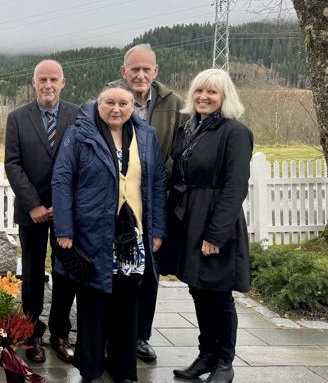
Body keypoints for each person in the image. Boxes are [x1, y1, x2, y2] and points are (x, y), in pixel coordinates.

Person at [52, 82, 167, 383]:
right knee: (93, 300)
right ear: (98, 104)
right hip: (93, 231)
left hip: (135, 233)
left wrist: (157, 231)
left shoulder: (146, 136)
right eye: (110, 103)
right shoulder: (79, 134)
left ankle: (123, 368)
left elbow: (156, 184)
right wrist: (64, 229)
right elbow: (62, 181)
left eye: (123, 104)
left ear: (132, 107)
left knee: (128, 301)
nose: (116, 109)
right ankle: (90, 367)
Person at [168, 69, 252, 383]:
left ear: (224, 97)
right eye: (200, 91)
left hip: (217, 222)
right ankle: (206, 356)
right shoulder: (188, 129)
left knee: (218, 294)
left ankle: (225, 362)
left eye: (212, 93)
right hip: (190, 219)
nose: (204, 97)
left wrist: (216, 233)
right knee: (198, 290)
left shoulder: (235, 132)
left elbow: (235, 186)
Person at [110, 43, 185, 362]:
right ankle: (114, 335)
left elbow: (182, 151)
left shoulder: (175, 104)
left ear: (156, 72)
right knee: (115, 269)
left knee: (148, 273)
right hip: (116, 203)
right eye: (134, 69)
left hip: (155, 199)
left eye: (146, 69)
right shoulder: (111, 102)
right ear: (123, 72)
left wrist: (157, 171)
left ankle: (141, 336)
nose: (140, 75)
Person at [4, 59, 78, 363]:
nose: (48, 85)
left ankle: (60, 333)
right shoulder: (18, 118)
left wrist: (62, 205)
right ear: (33, 83)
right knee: (32, 274)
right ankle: (31, 333)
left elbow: (82, 161)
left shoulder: (79, 115)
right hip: (30, 211)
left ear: (63, 82)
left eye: (53, 79)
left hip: (67, 212)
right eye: (42, 80)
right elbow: (12, 163)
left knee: (65, 273)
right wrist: (33, 204)